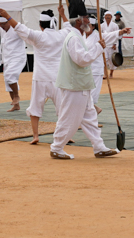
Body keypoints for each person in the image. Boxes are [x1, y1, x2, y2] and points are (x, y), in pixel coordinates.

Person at [46, 10, 120, 160]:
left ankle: (99, 147)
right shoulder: (74, 38)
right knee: (69, 118)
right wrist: (98, 48)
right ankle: (57, 147)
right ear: (79, 21)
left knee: (90, 118)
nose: (88, 21)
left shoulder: (77, 36)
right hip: (75, 85)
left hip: (81, 84)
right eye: (86, 18)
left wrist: (98, 47)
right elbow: (81, 60)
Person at [12, 7, 68, 144]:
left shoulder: (39, 36)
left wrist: (8, 16)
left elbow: (20, 28)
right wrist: (63, 15)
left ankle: (35, 136)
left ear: (40, 25)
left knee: (35, 107)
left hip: (40, 77)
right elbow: (70, 28)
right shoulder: (61, 35)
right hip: (56, 77)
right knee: (62, 108)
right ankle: (65, 135)